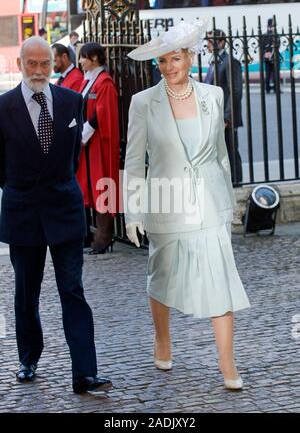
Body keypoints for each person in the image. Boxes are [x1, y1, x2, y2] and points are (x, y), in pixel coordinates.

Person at [124, 21, 250, 390]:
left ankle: (227, 364)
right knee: (162, 275)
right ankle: (163, 339)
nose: (168, 67)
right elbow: (134, 161)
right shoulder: (144, 103)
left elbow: (222, 155)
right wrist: (132, 211)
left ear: (190, 58)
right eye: (161, 61)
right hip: (166, 202)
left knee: (220, 279)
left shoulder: (214, 95)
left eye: (175, 59)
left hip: (210, 203)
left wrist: (229, 200)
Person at [0, 37, 112, 394]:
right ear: (20, 64)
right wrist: (18, 188)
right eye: (31, 63)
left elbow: (73, 160)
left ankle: (84, 372)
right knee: (25, 294)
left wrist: (59, 186)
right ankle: (28, 358)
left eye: (44, 64)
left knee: (73, 290)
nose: (38, 70)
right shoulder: (2, 107)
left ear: (54, 64)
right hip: (22, 212)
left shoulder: (71, 101)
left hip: (64, 210)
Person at [76, 42, 120, 254]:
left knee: (101, 185)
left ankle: (104, 235)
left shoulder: (104, 83)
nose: (81, 61)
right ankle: (98, 234)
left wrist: (84, 133)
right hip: (89, 142)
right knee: (92, 185)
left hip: (98, 143)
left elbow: (101, 115)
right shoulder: (90, 80)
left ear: (93, 58)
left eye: (83, 57)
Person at [205, 29, 243, 184]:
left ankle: (236, 183)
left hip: (226, 119)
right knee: (222, 153)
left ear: (221, 42)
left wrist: (227, 118)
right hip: (216, 117)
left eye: (210, 40)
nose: (207, 44)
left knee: (231, 153)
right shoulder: (215, 62)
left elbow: (235, 91)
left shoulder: (229, 62)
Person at [262, 18, 279, 94]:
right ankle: (267, 88)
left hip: (275, 57)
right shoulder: (264, 35)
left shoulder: (276, 35)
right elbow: (262, 46)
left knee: (276, 74)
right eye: (272, 25)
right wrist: (265, 53)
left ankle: (276, 88)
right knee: (268, 74)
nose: (273, 27)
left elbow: (278, 45)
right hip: (267, 58)